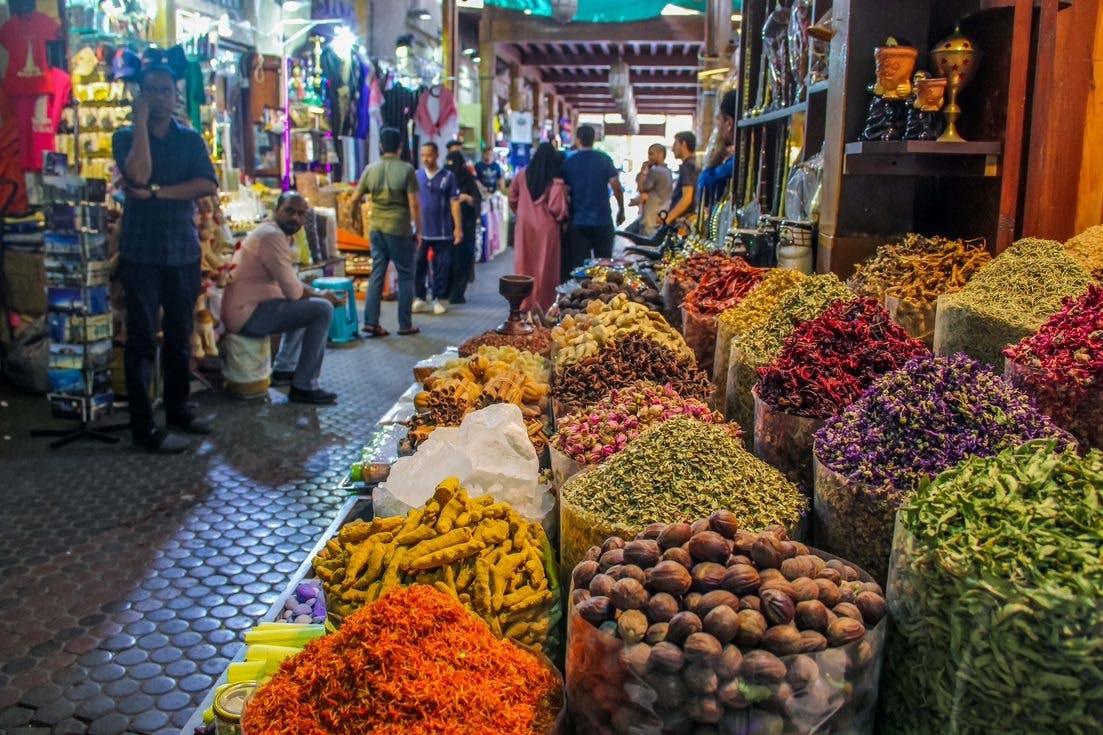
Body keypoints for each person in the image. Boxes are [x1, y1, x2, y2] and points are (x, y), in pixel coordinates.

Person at [112, 50, 219, 454]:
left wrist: (157, 193)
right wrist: (140, 122)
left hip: (182, 251)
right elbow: (137, 173)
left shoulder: (189, 139)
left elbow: (205, 185)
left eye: (167, 91)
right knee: (141, 339)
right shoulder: (124, 137)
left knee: (179, 335)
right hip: (140, 252)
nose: (161, 97)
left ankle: (179, 410)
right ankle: (144, 428)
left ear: (176, 95)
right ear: (141, 95)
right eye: (152, 91)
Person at [220, 192, 344, 405]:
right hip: (246, 314)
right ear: (276, 211)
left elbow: (291, 283)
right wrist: (322, 295)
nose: (295, 218)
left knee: (308, 304)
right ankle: (305, 386)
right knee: (321, 309)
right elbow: (293, 290)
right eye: (289, 211)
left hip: (253, 308)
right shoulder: (271, 236)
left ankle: (284, 370)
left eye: (301, 214)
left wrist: (314, 293)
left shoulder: (276, 234)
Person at [355, 126, 421, 337]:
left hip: (376, 228)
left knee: (377, 273)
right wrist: (418, 229)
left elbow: (354, 199)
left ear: (381, 146)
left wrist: (359, 221)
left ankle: (371, 322)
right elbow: (414, 204)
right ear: (400, 146)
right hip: (399, 228)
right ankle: (404, 324)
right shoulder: (407, 170)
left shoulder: (370, 169)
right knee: (405, 276)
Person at [509, 142, 568, 313]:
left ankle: (523, 304)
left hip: (524, 227)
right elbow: (557, 209)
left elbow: (512, 198)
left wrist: (521, 211)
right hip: (547, 229)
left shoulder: (522, 175)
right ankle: (543, 306)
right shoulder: (555, 180)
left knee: (524, 265)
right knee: (545, 267)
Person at [560, 124, 625, 274]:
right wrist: (621, 210)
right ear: (594, 139)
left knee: (580, 267)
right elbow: (616, 186)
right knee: (604, 266)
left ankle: (580, 296)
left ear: (578, 139)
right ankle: (603, 294)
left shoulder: (569, 162)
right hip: (603, 221)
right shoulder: (604, 159)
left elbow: (563, 192)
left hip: (578, 222)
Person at [413, 142, 462, 315]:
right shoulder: (416, 176)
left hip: (443, 231)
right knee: (419, 263)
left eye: (429, 155)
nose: (426, 159)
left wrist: (458, 228)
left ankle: (437, 298)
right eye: (423, 155)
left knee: (442, 265)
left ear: (436, 155)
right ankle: (419, 297)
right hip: (421, 231)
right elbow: (412, 202)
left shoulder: (448, 177)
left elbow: (454, 203)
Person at [444, 150, 482, 304]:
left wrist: (466, 198)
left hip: (465, 227)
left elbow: (477, 199)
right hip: (447, 227)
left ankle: (457, 293)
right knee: (448, 261)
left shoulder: (468, 180)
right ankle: (445, 291)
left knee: (462, 261)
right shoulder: (444, 178)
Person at [698, 90, 738, 205]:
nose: (718, 129)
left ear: (728, 123)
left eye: (718, 120)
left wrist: (716, 158)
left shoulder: (734, 163)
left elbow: (704, 188)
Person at [628, 143, 673, 237]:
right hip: (661, 214)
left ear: (660, 154)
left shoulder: (655, 171)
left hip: (651, 217)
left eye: (651, 154)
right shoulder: (668, 171)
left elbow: (642, 189)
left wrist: (643, 172)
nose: (649, 157)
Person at [662, 131, 697, 225]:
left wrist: (668, 219)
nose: (673, 149)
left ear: (683, 144)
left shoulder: (687, 166)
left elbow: (687, 198)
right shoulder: (693, 164)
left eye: (675, 144)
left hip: (681, 223)